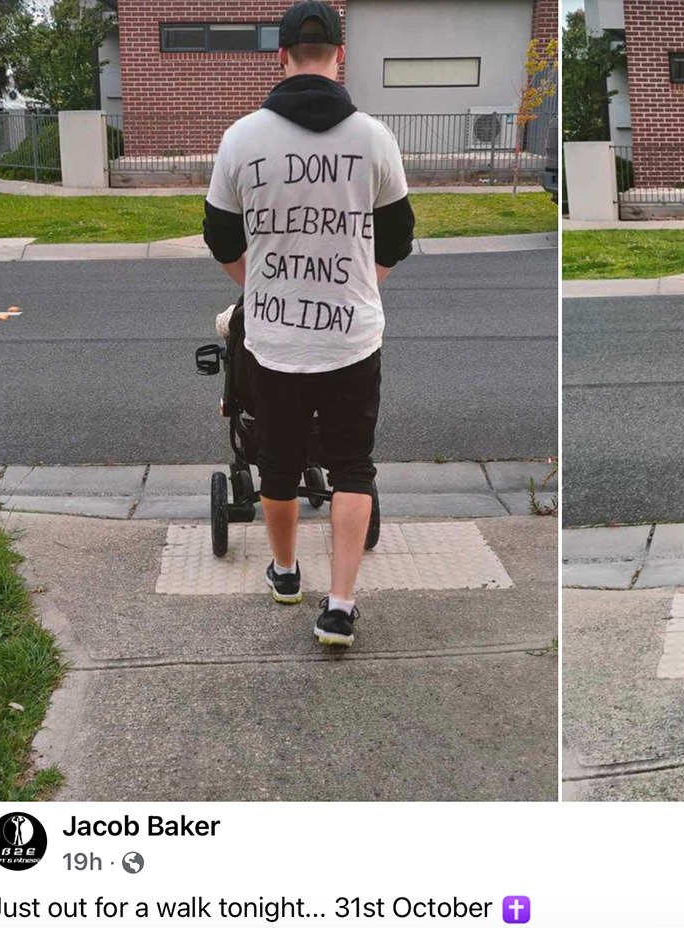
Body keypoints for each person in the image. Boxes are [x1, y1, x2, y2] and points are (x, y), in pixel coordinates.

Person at [202, 0, 415, 647]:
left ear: (283, 56)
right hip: (351, 333)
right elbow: (398, 237)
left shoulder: (241, 139)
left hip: (272, 336)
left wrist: (262, 287)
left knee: (277, 461)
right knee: (353, 466)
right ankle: (342, 605)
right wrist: (358, 288)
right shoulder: (374, 139)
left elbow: (219, 236)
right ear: (339, 57)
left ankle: (287, 573)